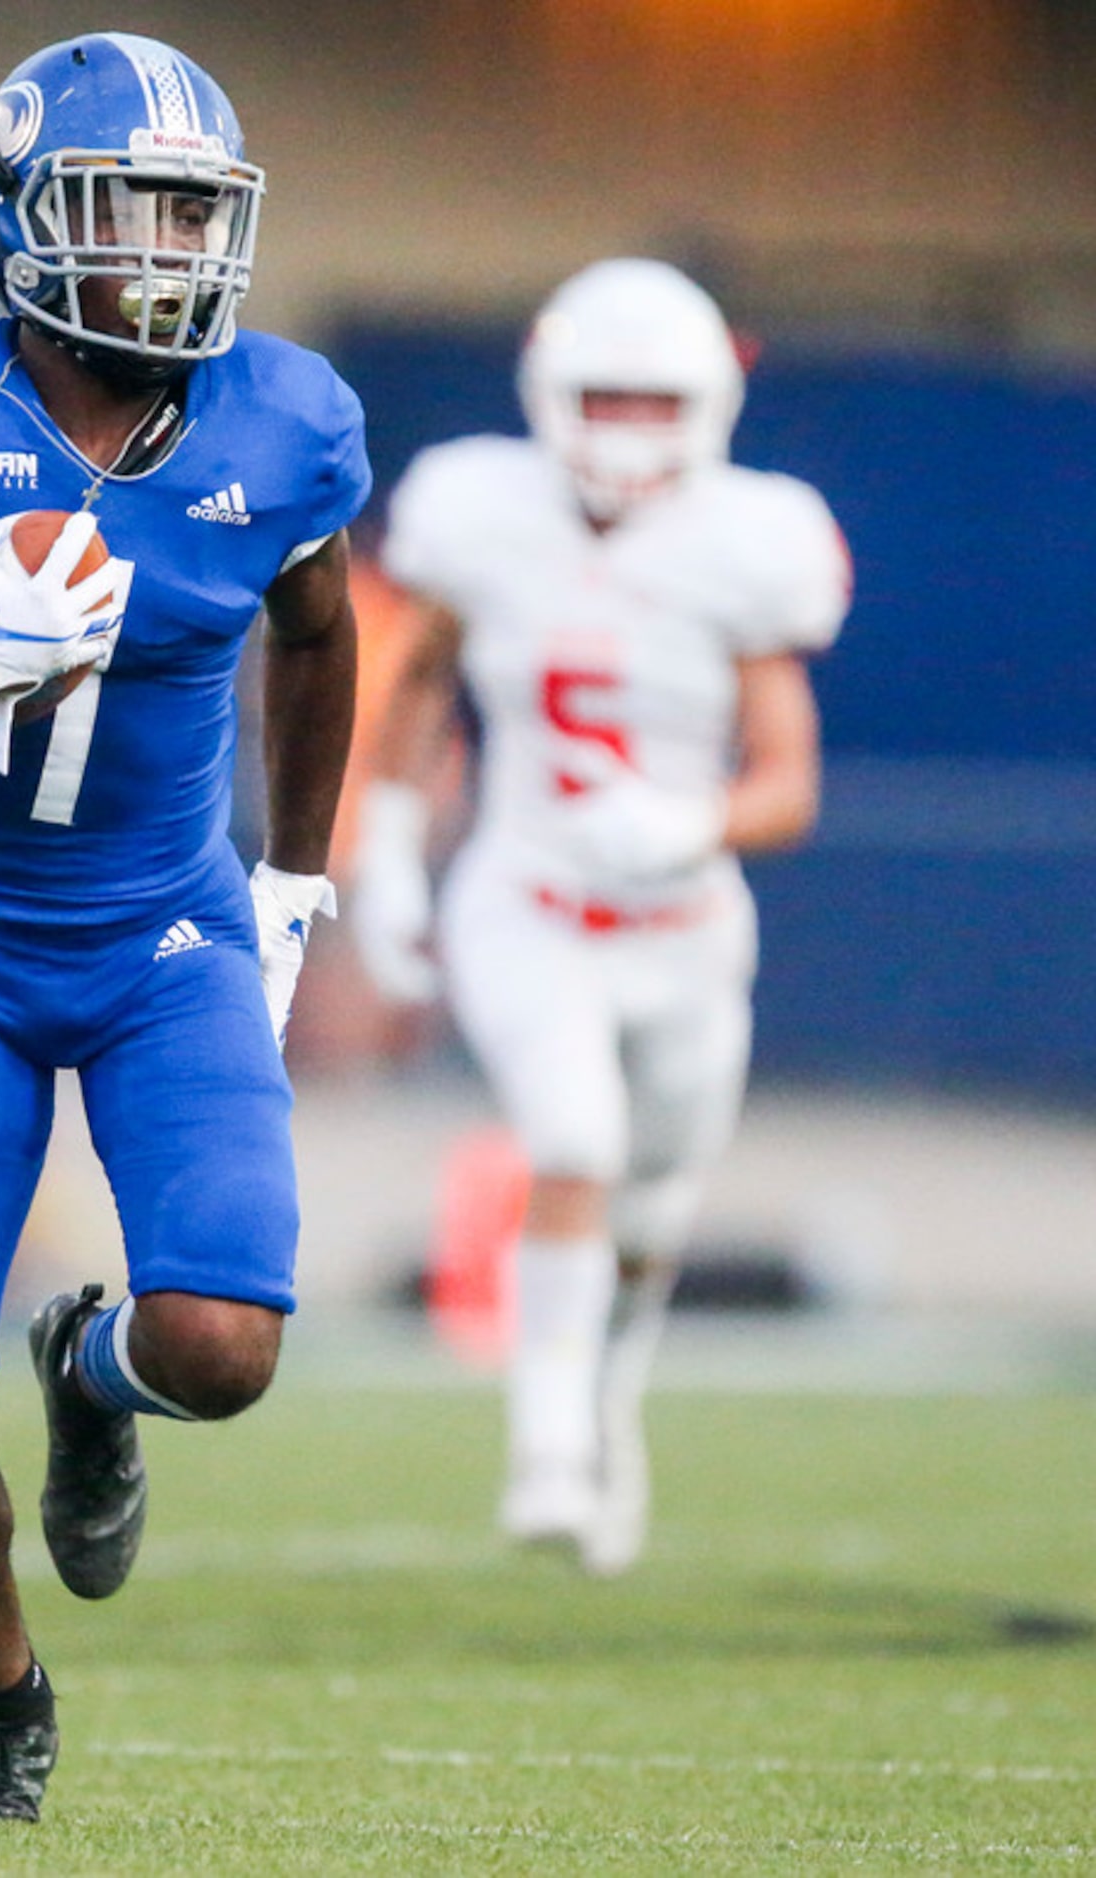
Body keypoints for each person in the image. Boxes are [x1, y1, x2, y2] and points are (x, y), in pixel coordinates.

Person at [0, 33, 368, 1823]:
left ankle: (91, 1364)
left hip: (163, 940)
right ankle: (5, 1704)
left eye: (194, 218)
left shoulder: (287, 419)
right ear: (21, 225)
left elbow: (319, 631)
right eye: (128, 216)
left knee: (223, 1345)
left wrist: (291, 877)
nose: (170, 257)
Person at [351, 257, 849, 1577]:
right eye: (603, 398)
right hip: (528, 899)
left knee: (649, 1209)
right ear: (547, 388)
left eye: (651, 402)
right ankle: (548, 1449)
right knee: (570, 1140)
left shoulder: (748, 541)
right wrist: (393, 848)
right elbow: (416, 683)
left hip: (681, 927)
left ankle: (602, 1406)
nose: (625, 431)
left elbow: (787, 782)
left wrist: (691, 824)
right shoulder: (480, 510)